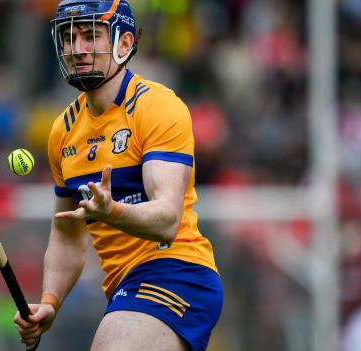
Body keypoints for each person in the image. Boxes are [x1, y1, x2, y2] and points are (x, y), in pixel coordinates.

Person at [14, 1, 223, 350]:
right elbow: (67, 235)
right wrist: (50, 301)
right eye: (68, 37)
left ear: (124, 44)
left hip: (178, 272)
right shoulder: (62, 132)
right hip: (125, 287)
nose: (76, 48)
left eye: (90, 35)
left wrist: (112, 212)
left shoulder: (157, 107)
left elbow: (168, 218)